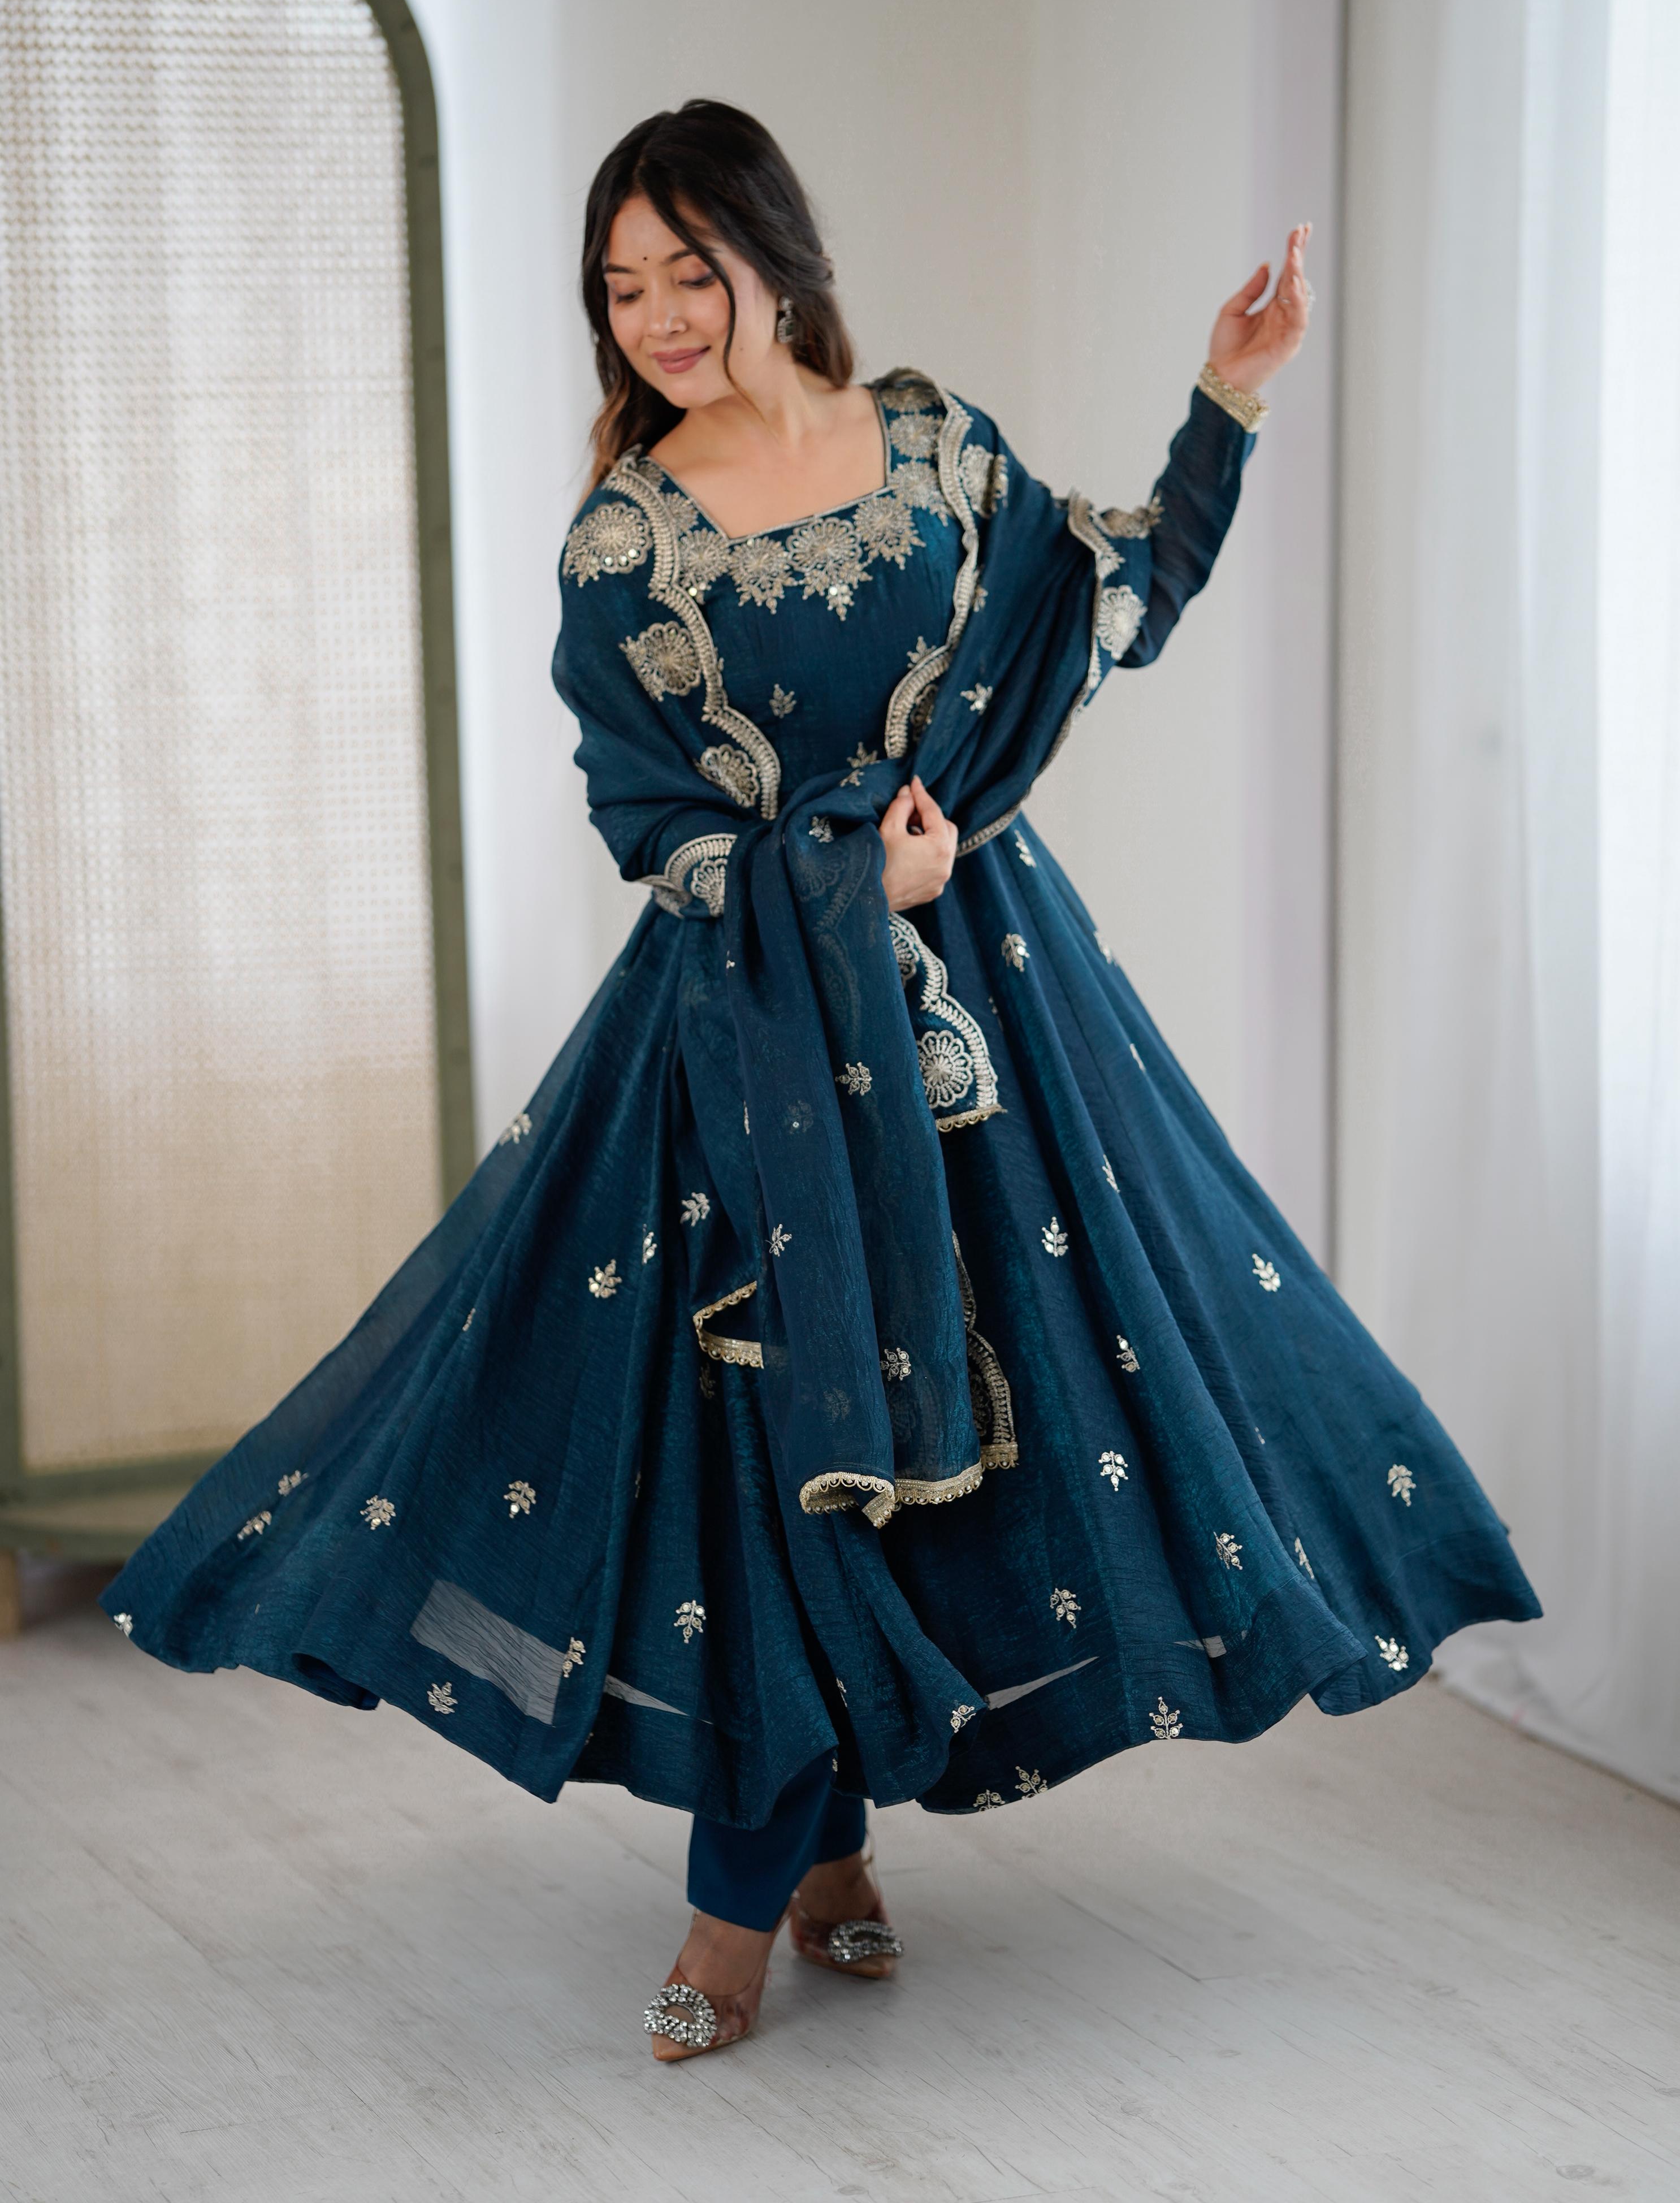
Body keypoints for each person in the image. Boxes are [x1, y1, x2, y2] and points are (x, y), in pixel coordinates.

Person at [102, 100, 1540, 2064]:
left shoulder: (935, 446)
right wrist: (848, 886)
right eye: (621, 287)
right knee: (767, 1442)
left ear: (776, 261)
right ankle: (742, 1899)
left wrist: (1230, 398)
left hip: (991, 1017)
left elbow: (1106, 610)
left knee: (1004, 1422)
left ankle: (827, 1844)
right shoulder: (625, 543)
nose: (658, 316)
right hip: (756, 1035)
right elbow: (650, 825)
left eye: (687, 271)